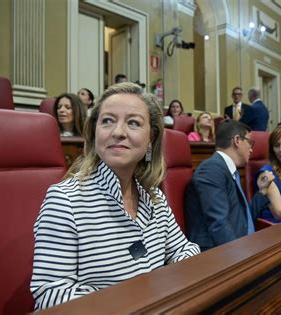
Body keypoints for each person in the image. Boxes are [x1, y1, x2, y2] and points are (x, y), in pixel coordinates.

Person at [31, 83, 200, 310]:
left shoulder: (154, 197)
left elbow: (184, 251)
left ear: (151, 139)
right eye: (107, 121)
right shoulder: (64, 200)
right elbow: (50, 296)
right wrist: (134, 297)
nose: (117, 132)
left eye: (133, 123)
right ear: (94, 133)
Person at [185, 120, 272, 251]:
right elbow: (219, 225)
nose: (251, 149)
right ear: (237, 140)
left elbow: (242, 220)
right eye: (250, 142)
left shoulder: (227, 169)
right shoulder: (212, 170)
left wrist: (262, 191)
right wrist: (242, 259)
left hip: (239, 243)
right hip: (217, 254)